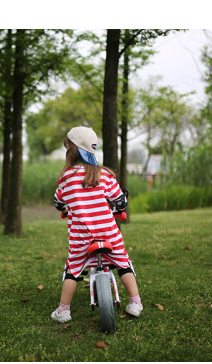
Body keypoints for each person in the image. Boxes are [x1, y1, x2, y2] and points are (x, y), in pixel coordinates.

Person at [51, 126, 143, 323]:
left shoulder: (65, 179)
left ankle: (63, 310)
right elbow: (120, 201)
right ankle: (135, 302)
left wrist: (65, 209)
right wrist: (121, 206)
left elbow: (59, 202)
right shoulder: (105, 175)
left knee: (73, 270)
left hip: (81, 236)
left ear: (72, 150)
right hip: (109, 233)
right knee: (123, 263)